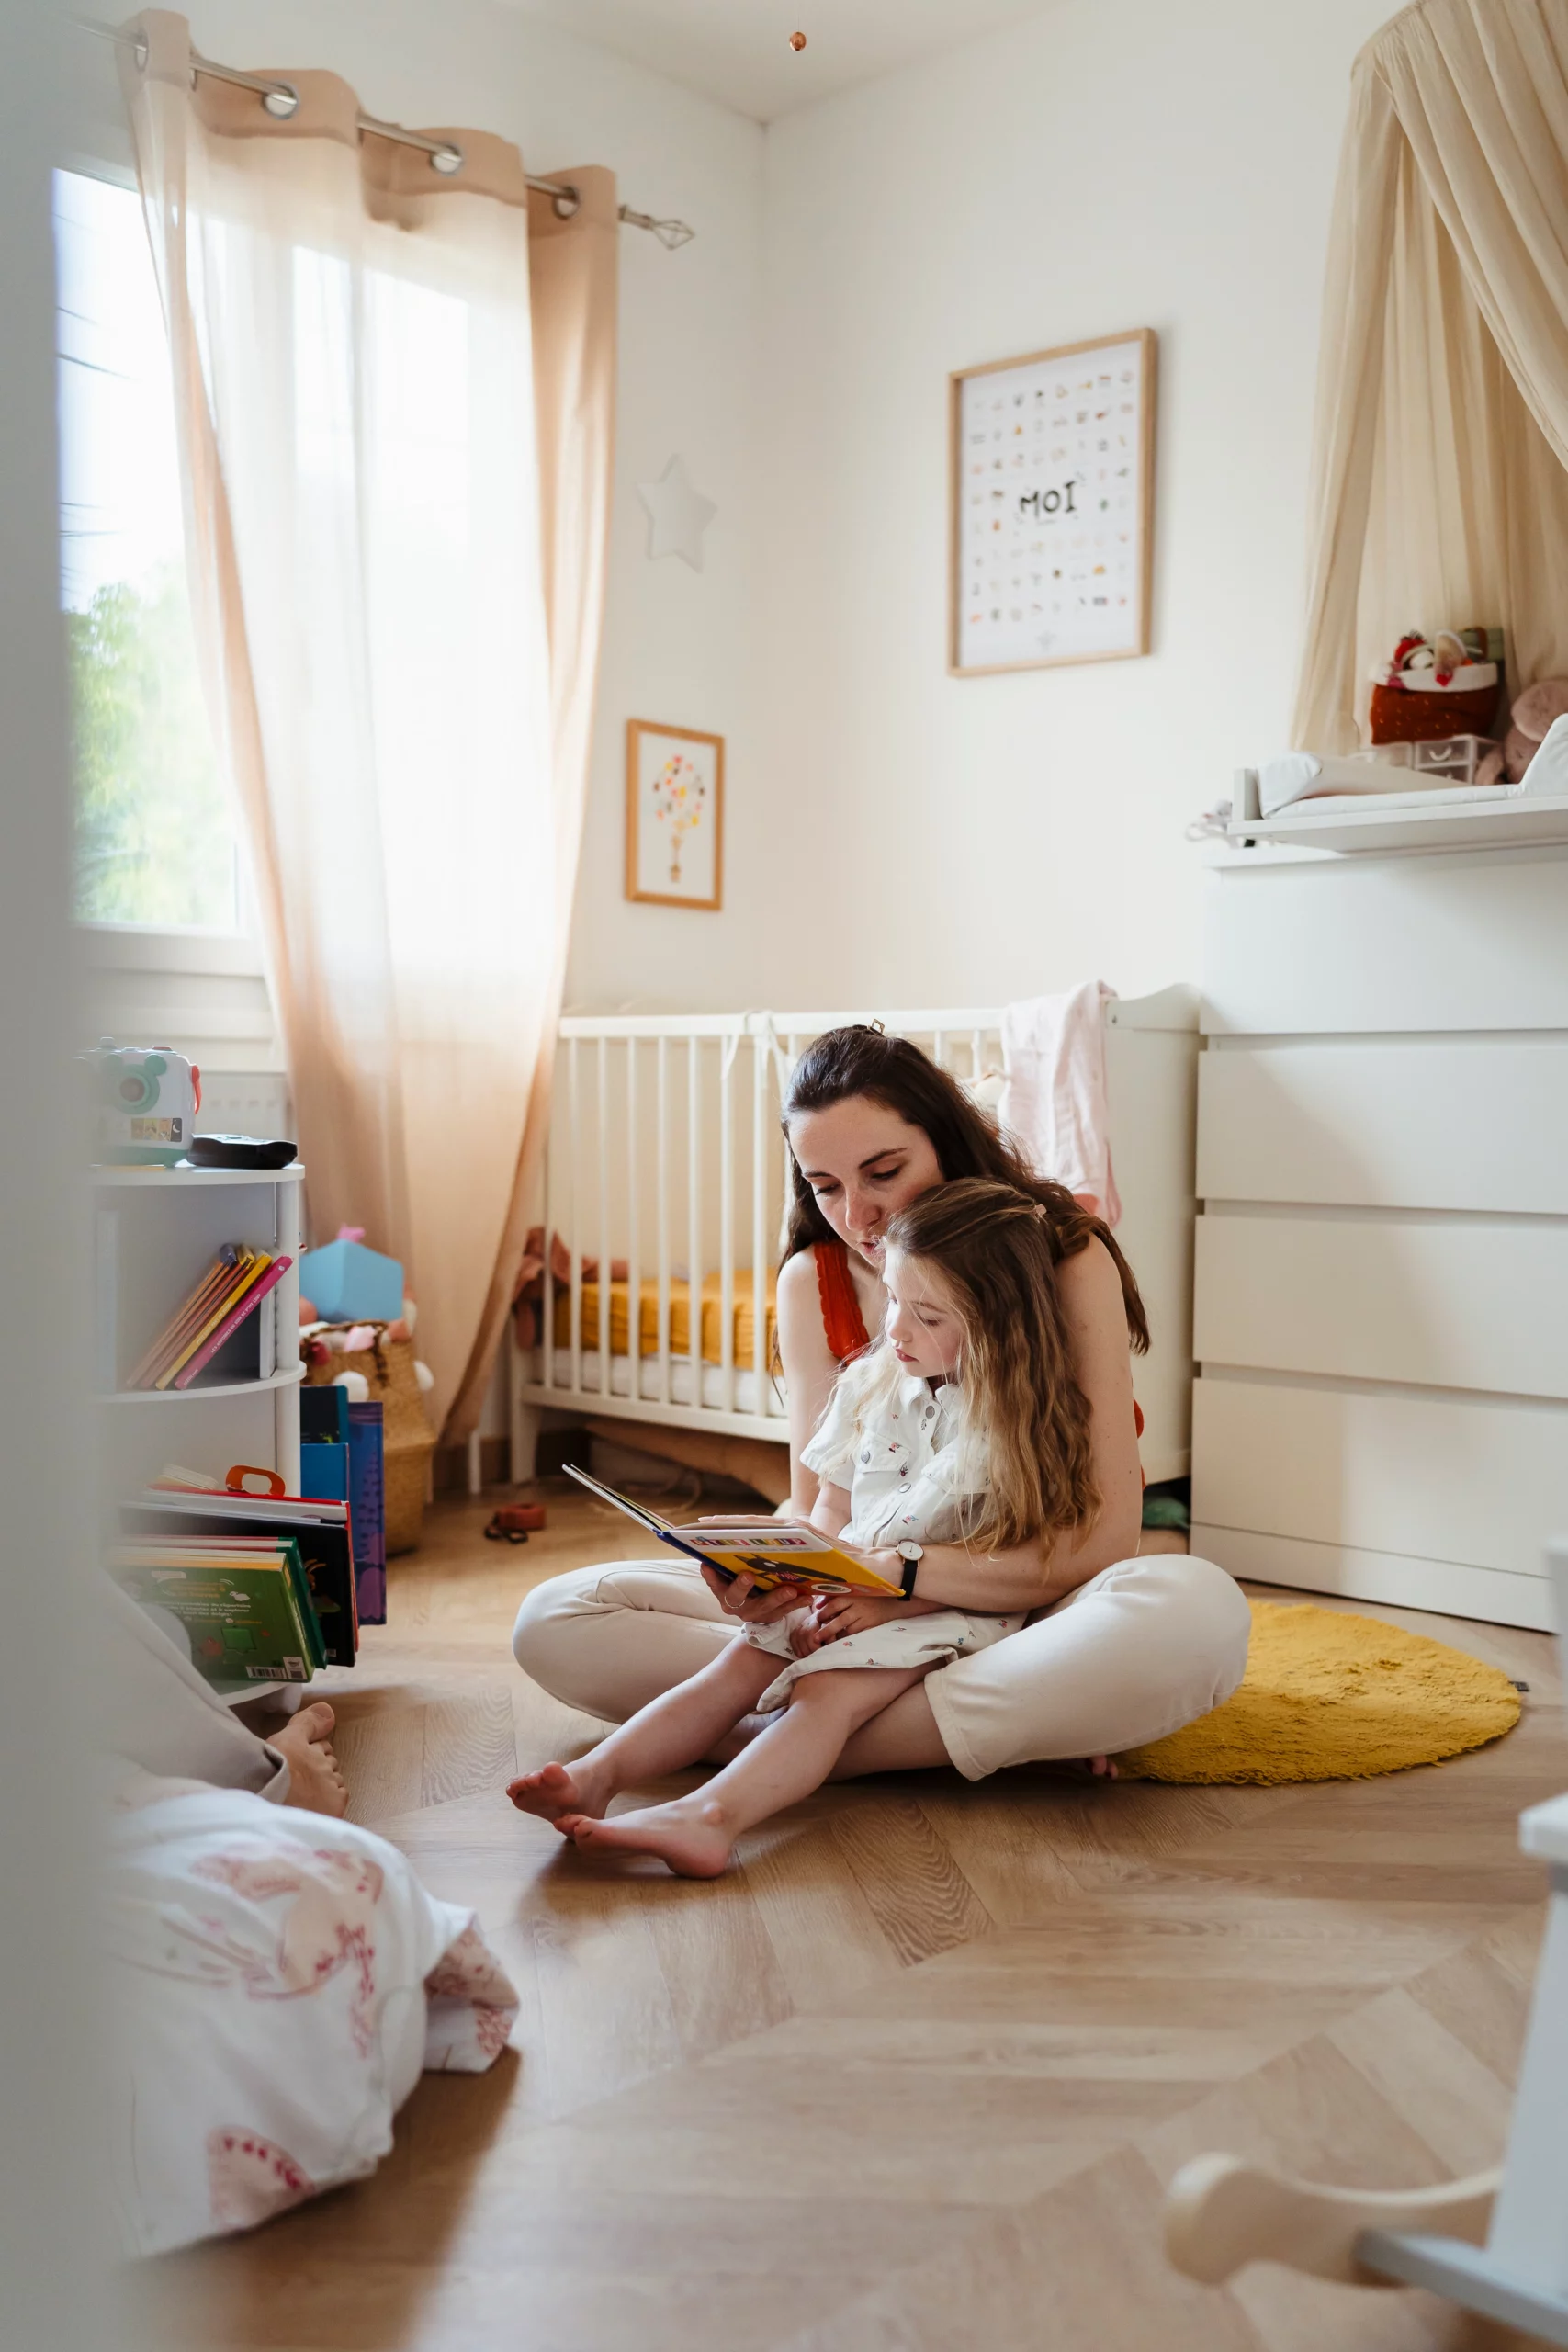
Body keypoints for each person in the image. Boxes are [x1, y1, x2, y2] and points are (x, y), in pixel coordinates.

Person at [513, 1025, 1251, 1785]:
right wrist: (763, 1577)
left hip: (1029, 1601)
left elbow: (1096, 1547)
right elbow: (819, 1516)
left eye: (883, 1172)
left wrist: (899, 1578)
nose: (857, 1216)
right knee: (556, 1616)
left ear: (944, 1144)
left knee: (1195, 1609)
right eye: (825, 1186)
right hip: (856, 1611)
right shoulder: (812, 1281)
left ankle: (774, 1739)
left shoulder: (1059, 1256)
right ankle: (940, 1731)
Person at [508, 1182, 1083, 1874]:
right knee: (733, 1669)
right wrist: (786, 1571)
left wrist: (888, 1601)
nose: (896, 1328)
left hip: (947, 1614)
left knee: (825, 1694)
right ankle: (597, 1777)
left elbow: (1015, 1563)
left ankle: (711, 1817)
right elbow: (833, 1513)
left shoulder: (1018, 1426)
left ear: (998, 1323)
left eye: (926, 1316)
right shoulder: (874, 1382)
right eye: (894, 1299)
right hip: (841, 1596)